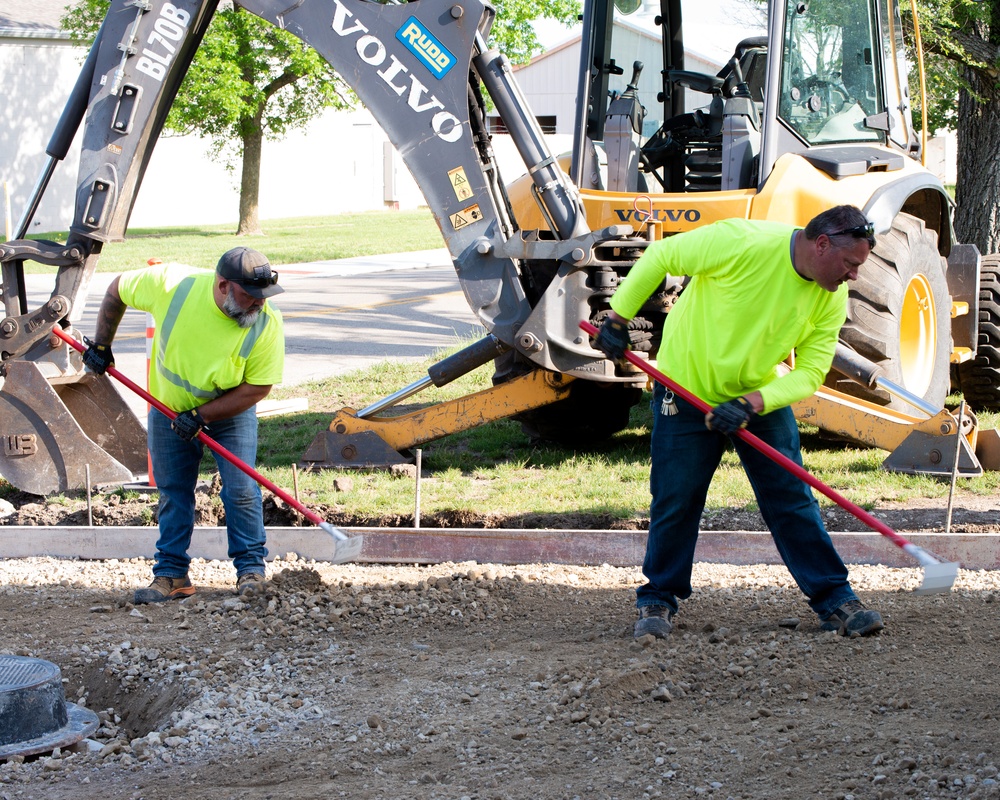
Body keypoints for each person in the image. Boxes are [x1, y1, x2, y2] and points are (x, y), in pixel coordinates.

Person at [593, 205, 884, 640]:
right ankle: (657, 598)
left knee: (792, 498)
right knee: (676, 498)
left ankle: (835, 599)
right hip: (685, 389)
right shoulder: (741, 242)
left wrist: (754, 402)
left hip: (757, 398)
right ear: (822, 244)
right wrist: (617, 318)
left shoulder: (831, 295)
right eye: (850, 264)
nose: (854, 277)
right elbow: (659, 258)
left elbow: (810, 372)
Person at [83, 247, 286, 604]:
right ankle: (172, 574)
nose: (259, 304)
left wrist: (203, 416)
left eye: (263, 297)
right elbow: (117, 288)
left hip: (229, 411)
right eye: (250, 296)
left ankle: (251, 570)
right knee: (174, 492)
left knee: (241, 489)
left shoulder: (266, 323)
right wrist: (102, 343)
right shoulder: (172, 284)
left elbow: (258, 387)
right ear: (223, 285)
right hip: (168, 409)